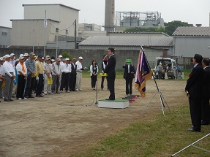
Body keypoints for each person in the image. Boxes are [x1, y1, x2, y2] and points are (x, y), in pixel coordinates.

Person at [185, 54, 204, 132]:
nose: (192, 60)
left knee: (194, 109)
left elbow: (191, 79)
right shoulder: (199, 68)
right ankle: (196, 125)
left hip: (195, 92)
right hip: (197, 91)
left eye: (193, 59)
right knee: (196, 109)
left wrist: (186, 87)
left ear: (195, 60)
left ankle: (196, 126)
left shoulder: (197, 69)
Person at [201, 58, 210, 125]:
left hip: (205, 91)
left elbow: (202, 82)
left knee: (205, 106)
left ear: (203, 63)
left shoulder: (205, 71)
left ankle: (205, 120)